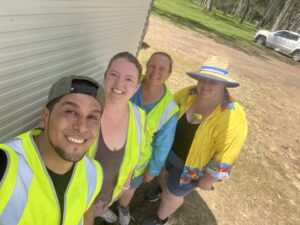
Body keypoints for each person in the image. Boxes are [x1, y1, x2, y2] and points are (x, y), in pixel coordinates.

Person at [142, 55, 248, 225]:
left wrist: (210, 178)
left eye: (213, 81)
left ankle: (160, 218)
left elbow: (229, 152)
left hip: (193, 167)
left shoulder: (233, 115)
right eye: (202, 79)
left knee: (173, 194)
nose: (205, 85)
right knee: (167, 174)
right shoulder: (189, 93)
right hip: (170, 151)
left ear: (225, 84)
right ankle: (162, 189)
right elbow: (166, 109)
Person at [0, 75, 105, 225]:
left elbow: (86, 211)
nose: (82, 127)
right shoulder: (6, 165)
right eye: (71, 112)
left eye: (92, 117)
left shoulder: (94, 172)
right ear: (45, 117)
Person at [116, 52, 179, 225]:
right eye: (152, 66)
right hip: (114, 145)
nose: (155, 71)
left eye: (161, 68)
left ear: (169, 73)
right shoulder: (131, 81)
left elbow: (163, 143)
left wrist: (154, 169)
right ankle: (102, 206)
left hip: (139, 158)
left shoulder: (169, 108)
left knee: (130, 186)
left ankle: (123, 208)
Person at [85, 52, 148, 224]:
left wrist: (125, 187)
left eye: (128, 79)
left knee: (98, 210)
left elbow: (135, 153)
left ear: (137, 86)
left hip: (109, 193)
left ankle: (102, 210)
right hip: (78, 196)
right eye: (114, 74)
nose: (119, 83)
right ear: (105, 77)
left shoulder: (139, 116)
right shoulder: (86, 110)